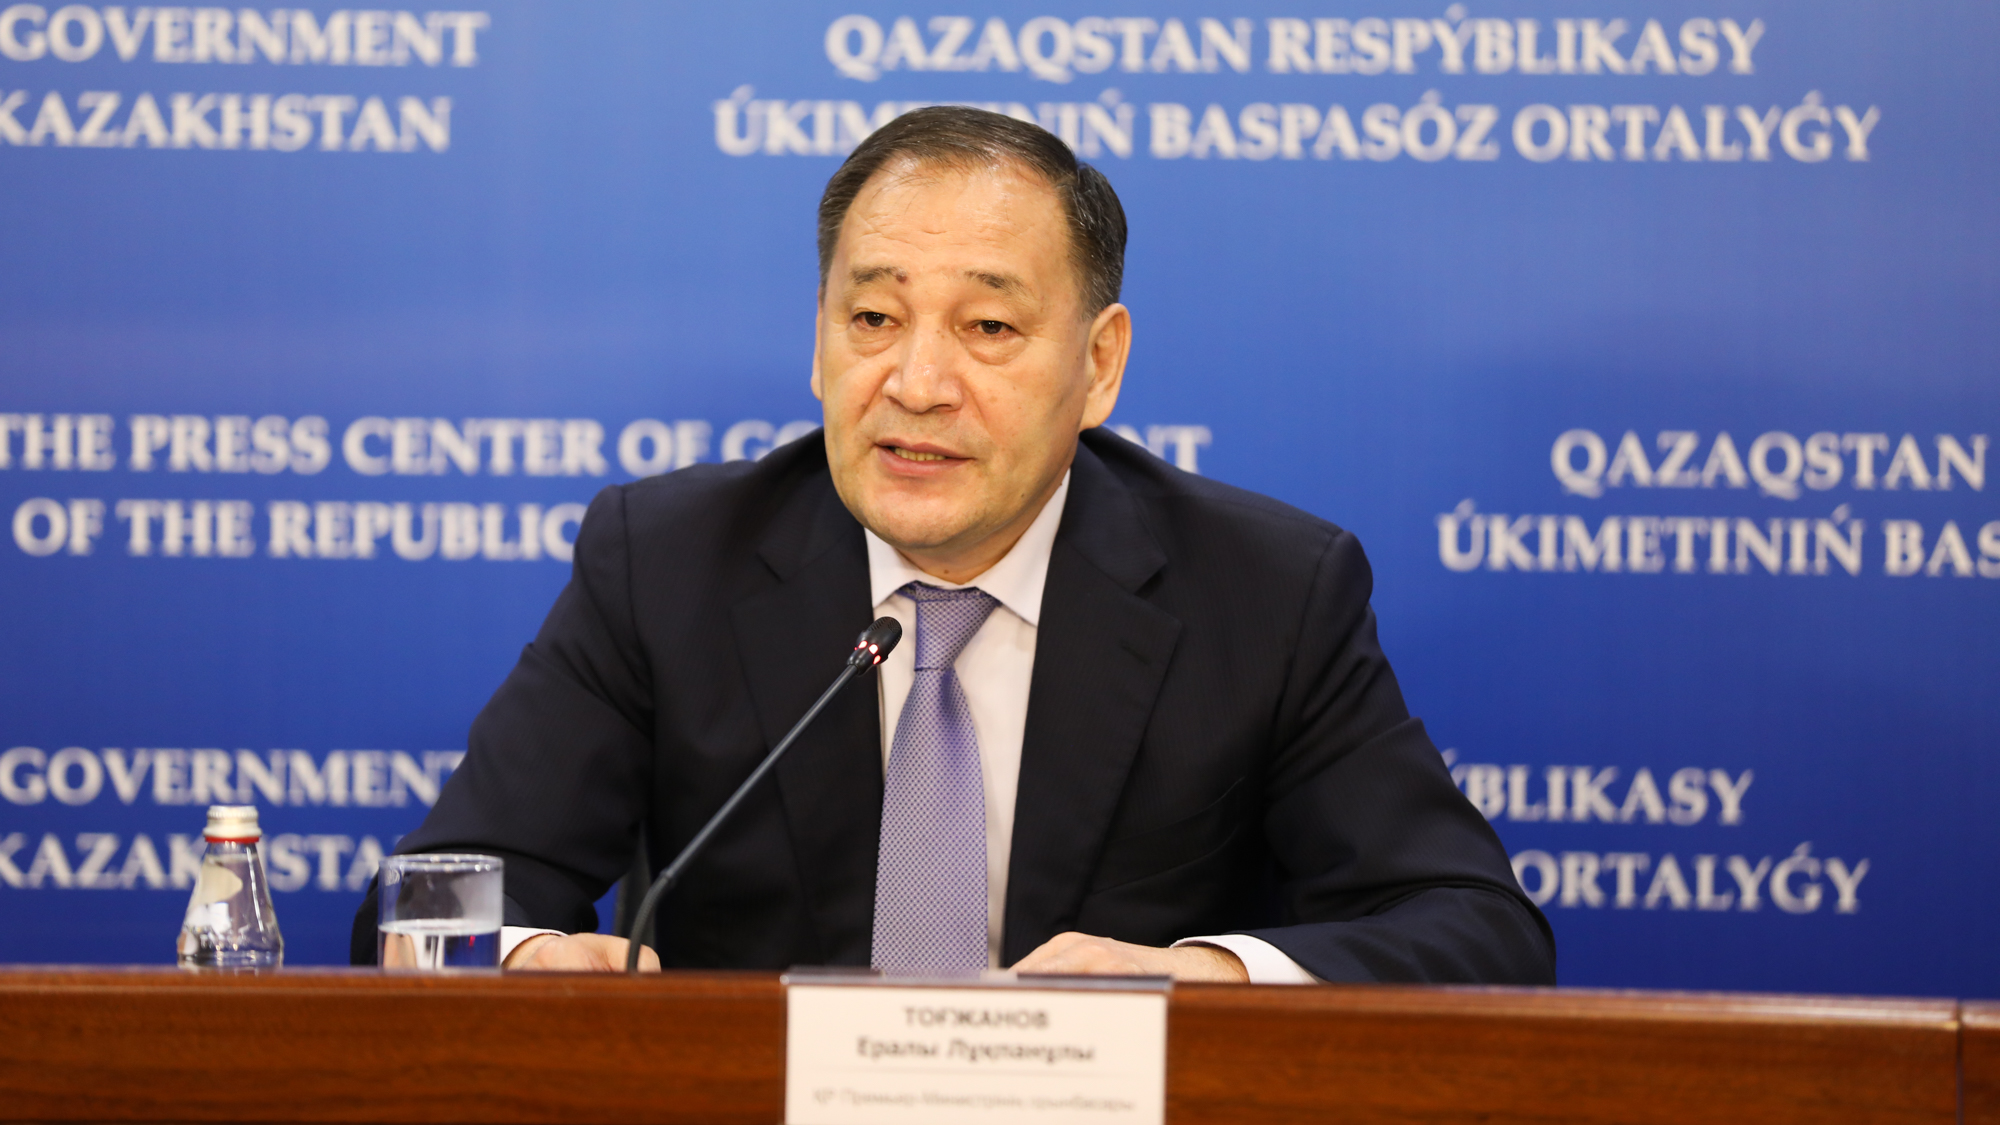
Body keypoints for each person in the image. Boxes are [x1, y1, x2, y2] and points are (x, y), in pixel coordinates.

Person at [352, 106, 1554, 984]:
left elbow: (1476, 930)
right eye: (872, 317)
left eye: (986, 327)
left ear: (1098, 365)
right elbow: (420, 908)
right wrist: (526, 960)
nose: (916, 382)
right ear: (819, 341)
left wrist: (1202, 977)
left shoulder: (1265, 592)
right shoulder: (666, 563)